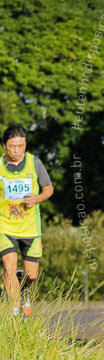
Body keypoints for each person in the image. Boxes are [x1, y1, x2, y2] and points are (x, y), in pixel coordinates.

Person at [0, 125, 54, 317]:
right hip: (4, 225)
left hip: (30, 227)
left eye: (21, 146)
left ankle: (23, 286)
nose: (17, 150)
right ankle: (15, 313)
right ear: (4, 145)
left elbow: (48, 188)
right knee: (9, 267)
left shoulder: (34, 162)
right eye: (12, 146)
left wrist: (37, 198)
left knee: (32, 275)